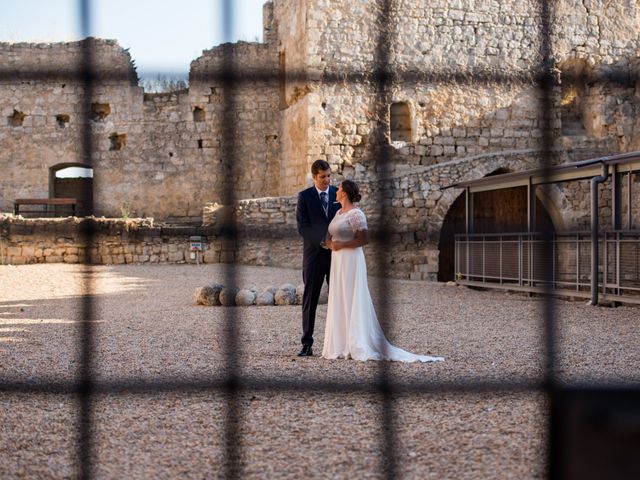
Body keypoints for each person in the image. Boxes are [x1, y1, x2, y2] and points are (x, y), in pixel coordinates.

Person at [323, 179, 444, 362]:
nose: (336, 191)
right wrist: (330, 243)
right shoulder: (338, 212)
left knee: (351, 296)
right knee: (339, 297)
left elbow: (364, 239)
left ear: (345, 193)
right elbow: (330, 234)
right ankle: (340, 344)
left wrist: (342, 245)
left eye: (338, 189)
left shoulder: (356, 214)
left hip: (350, 260)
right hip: (337, 260)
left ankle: (355, 342)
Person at [295, 160, 339, 356]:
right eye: (323, 177)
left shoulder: (339, 193)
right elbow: (303, 227)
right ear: (314, 177)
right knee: (310, 299)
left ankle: (339, 341)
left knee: (339, 298)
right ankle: (307, 343)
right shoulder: (304, 197)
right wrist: (323, 241)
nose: (327, 180)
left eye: (329, 175)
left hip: (337, 256)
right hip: (314, 256)